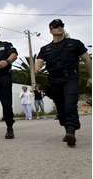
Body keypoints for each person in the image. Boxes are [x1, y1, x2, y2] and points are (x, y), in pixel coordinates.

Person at [35, 19, 92, 147]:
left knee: (70, 104)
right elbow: (39, 61)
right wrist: (37, 68)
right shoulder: (45, 48)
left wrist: (91, 77)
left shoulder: (75, 43)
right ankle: (68, 131)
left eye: (61, 26)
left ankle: (71, 131)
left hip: (70, 78)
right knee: (61, 109)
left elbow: (87, 60)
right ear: (50, 30)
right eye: (56, 26)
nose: (59, 28)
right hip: (54, 81)